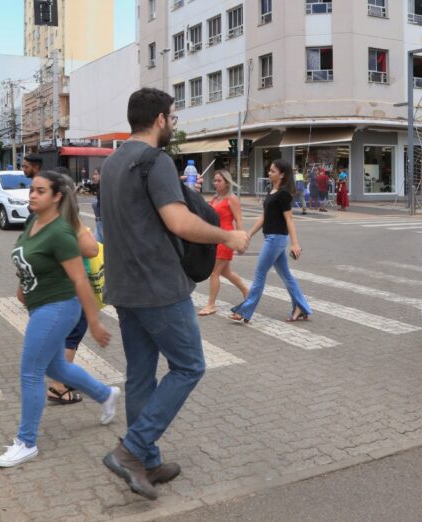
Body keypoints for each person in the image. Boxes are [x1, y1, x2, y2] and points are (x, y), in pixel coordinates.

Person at [100, 88, 248, 500]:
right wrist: (228, 236)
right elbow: (178, 221)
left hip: (124, 287)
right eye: (173, 117)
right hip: (159, 286)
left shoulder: (113, 162)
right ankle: (131, 451)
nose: (173, 124)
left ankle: (146, 460)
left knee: (141, 376)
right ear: (161, 119)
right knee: (189, 366)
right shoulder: (155, 160)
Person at [0, 171, 118, 468]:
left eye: (40, 191)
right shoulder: (32, 222)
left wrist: (95, 321)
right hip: (40, 305)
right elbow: (28, 264)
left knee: (30, 371)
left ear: (57, 197)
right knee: (56, 366)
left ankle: (26, 442)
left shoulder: (61, 232)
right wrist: (22, 288)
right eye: (32, 190)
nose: (32, 195)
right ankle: (106, 394)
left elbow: (79, 279)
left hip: (59, 306)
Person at [45, 170, 104, 405]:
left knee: (62, 335)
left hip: (51, 288)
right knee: (72, 335)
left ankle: (60, 378)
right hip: (69, 288)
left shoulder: (42, 219)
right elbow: (91, 249)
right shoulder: (66, 222)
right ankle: (58, 385)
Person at [229, 159, 312, 323]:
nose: (269, 173)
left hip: (276, 239)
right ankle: (301, 306)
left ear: (282, 174)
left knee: (259, 274)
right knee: (286, 275)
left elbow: (289, 219)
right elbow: (264, 216)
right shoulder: (272, 190)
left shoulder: (283, 194)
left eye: (272, 171)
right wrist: (249, 234)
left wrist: (295, 243)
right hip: (272, 238)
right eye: (270, 170)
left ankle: (245, 311)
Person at [197, 170, 250, 316]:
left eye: (219, 180)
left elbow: (239, 220)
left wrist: (241, 241)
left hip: (227, 239)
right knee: (226, 272)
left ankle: (211, 305)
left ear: (226, 183)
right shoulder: (215, 198)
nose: (215, 183)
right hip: (216, 238)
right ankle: (247, 292)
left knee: (214, 273)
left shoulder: (232, 199)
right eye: (214, 180)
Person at [92, 168, 103, 242]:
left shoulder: (105, 190)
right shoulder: (99, 189)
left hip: (104, 225)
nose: (93, 176)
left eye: (96, 174)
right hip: (98, 224)